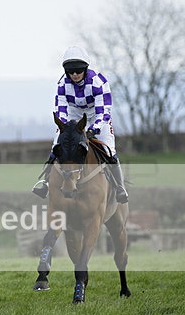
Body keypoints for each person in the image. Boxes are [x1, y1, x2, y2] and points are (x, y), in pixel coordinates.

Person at [32, 46, 128, 203]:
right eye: (71, 71)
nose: (75, 74)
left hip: (96, 115)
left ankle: (120, 187)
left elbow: (103, 111)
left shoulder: (98, 82)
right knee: (56, 145)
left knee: (109, 150)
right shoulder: (62, 84)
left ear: (85, 69)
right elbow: (61, 109)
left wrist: (94, 129)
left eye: (78, 71)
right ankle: (46, 183)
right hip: (74, 115)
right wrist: (65, 128)